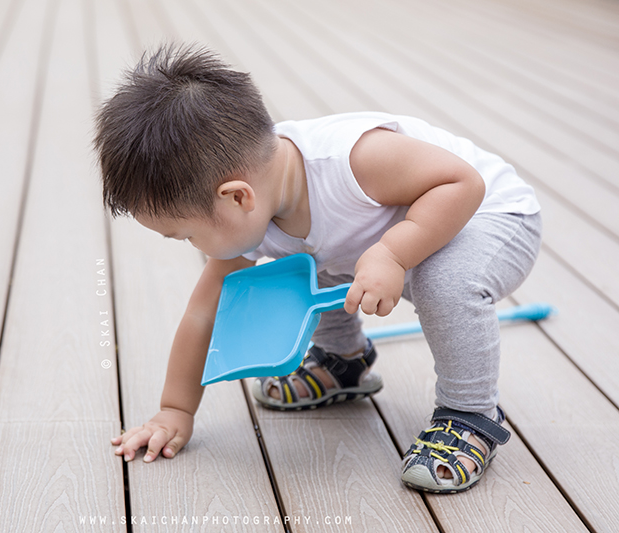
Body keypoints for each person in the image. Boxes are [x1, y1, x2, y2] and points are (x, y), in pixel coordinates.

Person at [95, 44, 541, 493]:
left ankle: (469, 412)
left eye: (187, 235)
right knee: (306, 259)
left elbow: (461, 182)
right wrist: (175, 410)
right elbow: (203, 312)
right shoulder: (252, 206)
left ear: (237, 197)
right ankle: (343, 361)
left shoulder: (354, 160)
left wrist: (393, 254)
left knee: (443, 281)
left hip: (489, 217)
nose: (193, 247)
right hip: (399, 240)